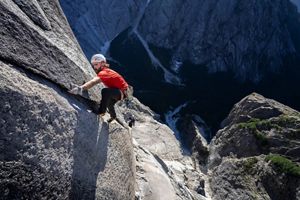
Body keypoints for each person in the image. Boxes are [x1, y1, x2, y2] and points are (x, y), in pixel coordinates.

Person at [69, 54, 130, 122]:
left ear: (103, 63)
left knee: (105, 91)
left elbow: (93, 82)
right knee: (110, 104)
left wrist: (81, 88)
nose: (94, 67)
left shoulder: (104, 72)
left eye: (96, 64)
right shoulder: (107, 71)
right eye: (94, 65)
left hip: (121, 91)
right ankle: (113, 116)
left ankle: (101, 111)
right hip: (122, 91)